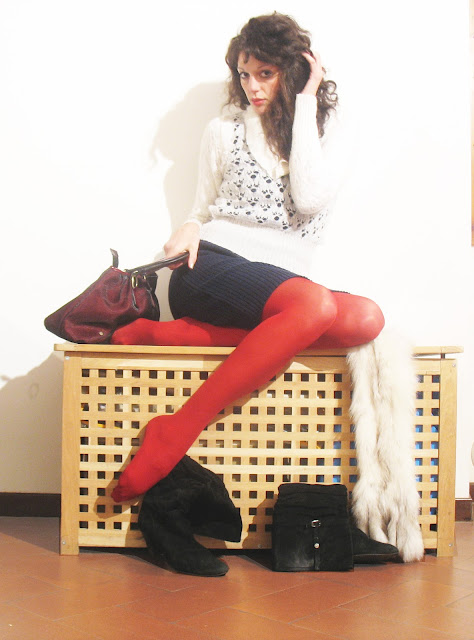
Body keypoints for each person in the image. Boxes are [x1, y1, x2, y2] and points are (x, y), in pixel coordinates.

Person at [111, 12, 385, 503]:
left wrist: (304, 102)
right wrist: (188, 226)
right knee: (316, 307)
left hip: (280, 286)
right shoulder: (224, 129)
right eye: (244, 74)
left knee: (366, 319)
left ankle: (179, 334)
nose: (252, 87)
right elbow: (201, 209)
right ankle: (177, 429)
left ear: (294, 72)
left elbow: (309, 198)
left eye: (266, 73)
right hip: (212, 265)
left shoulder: (329, 131)